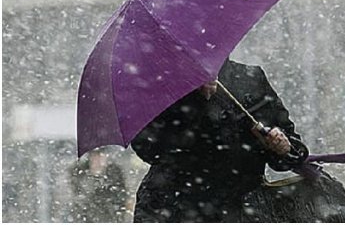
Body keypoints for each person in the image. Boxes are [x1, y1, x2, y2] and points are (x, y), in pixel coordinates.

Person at [131, 58, 308, 222]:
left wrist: (282, 146)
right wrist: (194, 100)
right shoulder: (164, 86)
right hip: (174, 208)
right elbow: (148, 148)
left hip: (241, 209)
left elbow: (291, 151)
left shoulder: (250, 79)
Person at [70, 150, 128, 222]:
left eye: (100, 156)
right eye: (95, 157)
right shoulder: (81, 175)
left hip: (109, 217)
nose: (98, 161)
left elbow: (120, 199)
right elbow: (79, 199)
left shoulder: (115, 175)